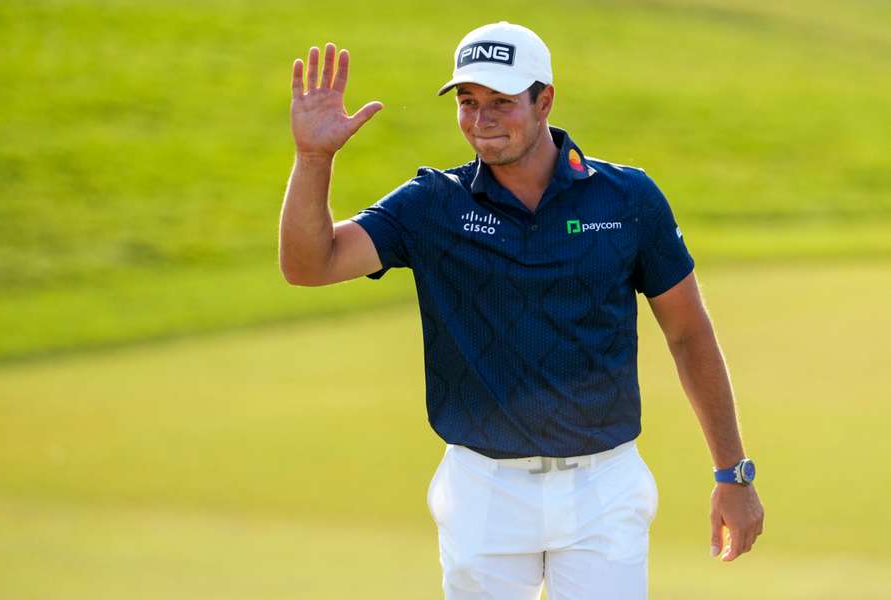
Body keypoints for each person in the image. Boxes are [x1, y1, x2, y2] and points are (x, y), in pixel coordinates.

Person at [279, 21, 764, 600]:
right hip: (483, 492)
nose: (481, 120)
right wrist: (313, 158)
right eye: (467, 102)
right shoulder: (434, 204)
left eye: (501, 103)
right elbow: (310, 265)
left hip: (602, 490)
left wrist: (732, 472)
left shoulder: (627, 199)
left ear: (545, 101)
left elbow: (688, 332)